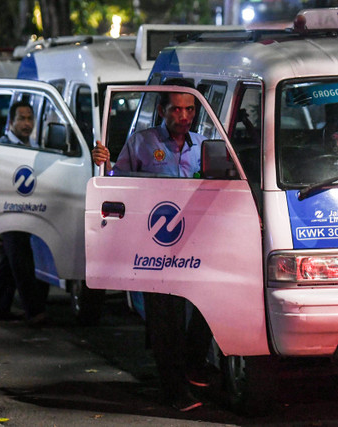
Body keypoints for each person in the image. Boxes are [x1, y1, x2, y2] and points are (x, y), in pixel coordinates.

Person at [92, 79, 213, 412]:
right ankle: (174, 391)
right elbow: (116, 186)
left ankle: (192, 368)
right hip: (153, 248)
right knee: (165, 321)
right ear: (162, 110)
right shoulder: (141, 143)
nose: (184, 116)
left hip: (194, 249)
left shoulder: (204, 145)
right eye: (176, 108)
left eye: (190, 109)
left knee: (206, 311)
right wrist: (103, 163)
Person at [0, 100, 48, 327]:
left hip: (26, 210)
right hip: (9, 211)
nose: (27, 123)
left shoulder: (31, 146)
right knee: (21, 260)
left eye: (30, 118)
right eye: (21, 118)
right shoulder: (2, 147)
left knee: (9, 260)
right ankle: (35, 310)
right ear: (10, 122)